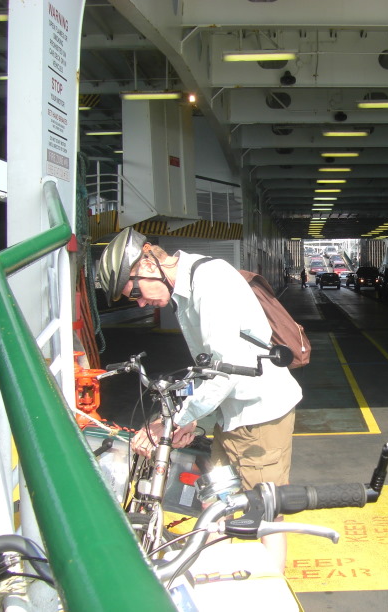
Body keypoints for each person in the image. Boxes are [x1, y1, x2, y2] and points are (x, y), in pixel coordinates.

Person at [96, 228, 302, 571]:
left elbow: (225, 373)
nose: (141, 302)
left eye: (134, 292)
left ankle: (272, 587)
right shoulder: (188, 290)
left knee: (265, 510)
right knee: (215, 498)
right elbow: (208, 368)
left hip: (260, 417)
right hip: (233, 417)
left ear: (147, 262)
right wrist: (196, 419)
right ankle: (197, 575)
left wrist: (174, 420)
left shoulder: (211, 284)